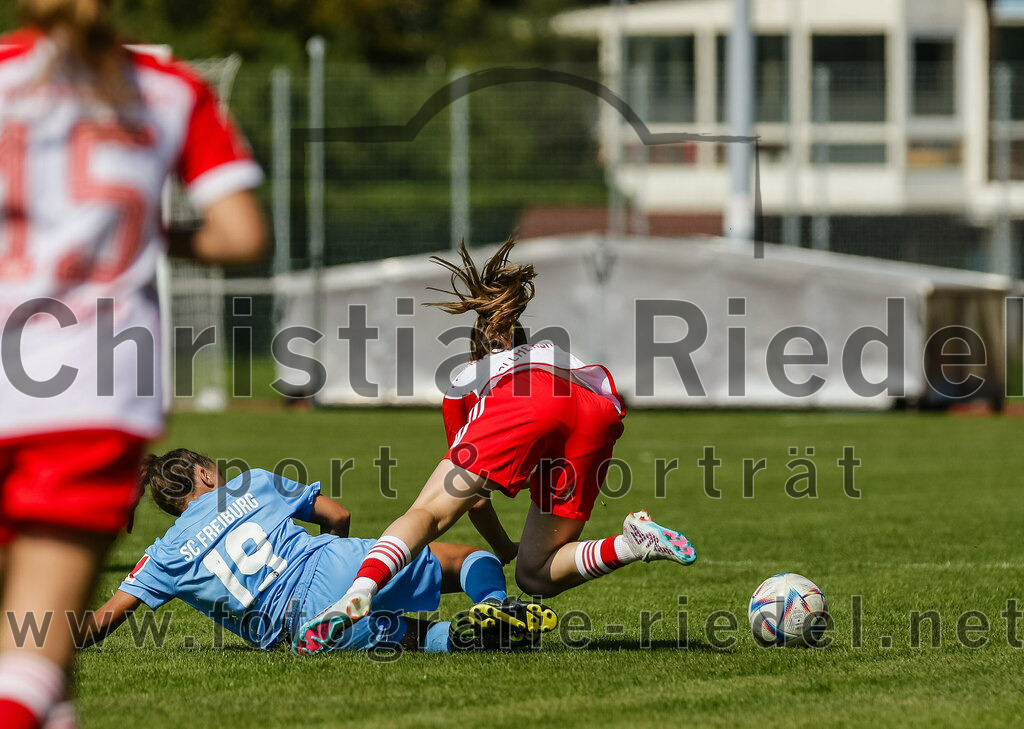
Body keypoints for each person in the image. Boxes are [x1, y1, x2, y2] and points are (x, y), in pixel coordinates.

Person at [0, 2, 267, 727]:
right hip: (90, 389)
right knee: (34, 653)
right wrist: (150, 230)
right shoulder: (168, 87)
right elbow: (241, 234)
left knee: (30, 657)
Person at [293, 239, 697, 656]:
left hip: (528, 399)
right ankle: (633, 543)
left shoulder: (468, 378)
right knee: (535, 574)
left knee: (428, 512)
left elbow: (474, 499)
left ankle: (359, 592)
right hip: (595, 410)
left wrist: (502, 546)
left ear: (475, 349)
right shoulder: (551, 353)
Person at [78, 450, 556, 656]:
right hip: (333, 564)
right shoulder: (250, 483)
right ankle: (495, 606)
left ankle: (460, 637)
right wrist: (346, 554)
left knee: (412, 637)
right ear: (204, 475)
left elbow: (100, 624)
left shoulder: (163, 556)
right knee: (470, 558)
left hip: (290, 626)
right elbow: (338, 514)